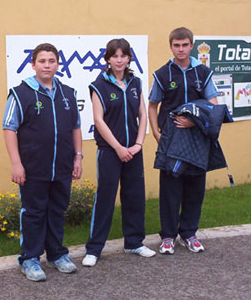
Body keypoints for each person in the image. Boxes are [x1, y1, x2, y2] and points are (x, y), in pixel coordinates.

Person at [2, 43, 83, 281]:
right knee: (34, 213)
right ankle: (29, 258)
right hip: (33, 167)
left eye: (51, 61)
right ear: (33, 64)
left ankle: (57, 254)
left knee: (57, 211)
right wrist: (16, 163)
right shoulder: (21, 93)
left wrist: (78, 157)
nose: (47, 65)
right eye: (42, 61)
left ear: (58, 64)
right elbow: (9, 128)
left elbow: (76, 127)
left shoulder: (68, 93)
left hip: (62, 166)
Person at [82, 38, 155, 267]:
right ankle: (94, 249)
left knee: (134, 197)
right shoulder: (99, 85)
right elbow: (98, 120)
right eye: (115, 56)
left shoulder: (135, 83)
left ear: (129, 58)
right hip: (110, 151)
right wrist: (118, 148)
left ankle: (134, 242)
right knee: (105, 198)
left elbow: (142, 115)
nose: (119, 60)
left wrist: (138, 144)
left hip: (133, 150)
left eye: (123, 55)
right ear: (108, 59)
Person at [148, 27, 219, 255]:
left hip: (197, 139)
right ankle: (168, 236)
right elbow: (152, 105)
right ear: (171, 47)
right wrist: (157, 133)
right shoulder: (162, 74)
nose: (180, 49)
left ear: (192, 46)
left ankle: (188, 233)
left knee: (195, 188)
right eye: (176, 45)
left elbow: (214, 104)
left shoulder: (203, 72)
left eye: (185, 44)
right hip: (171, 140)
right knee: (170, 188)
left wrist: (196, 123)